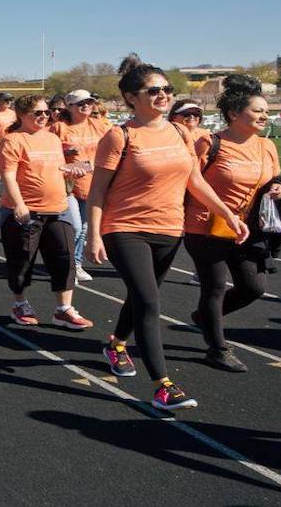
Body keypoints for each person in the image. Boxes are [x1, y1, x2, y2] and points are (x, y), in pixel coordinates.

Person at [86, 54, 248, 411]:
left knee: (142, 296)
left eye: (167, 89)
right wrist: (94, 234)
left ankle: (115, 345)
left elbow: (195, 180)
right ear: (131, 97)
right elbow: (97, 191)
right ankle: (163, 385)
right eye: (153, 90)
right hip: (125, 228)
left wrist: (228, 214)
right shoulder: (119, 136)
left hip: (169, 228)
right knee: (149, 301)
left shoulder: (179, 131)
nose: (163, 95)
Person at [183, 75, 281, 372]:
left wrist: (279, 189)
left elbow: (275, 178)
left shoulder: (267, 146)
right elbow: (190, 180)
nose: (264, 115)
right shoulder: (210, 143)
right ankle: (217, 348)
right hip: (205, 225)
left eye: (266, 110)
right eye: (257, 110)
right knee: (213, 287)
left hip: (247, 228)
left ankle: (205, 317)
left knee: (253, 288)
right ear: (233, 114)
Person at [0, 95, 93, 330]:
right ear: (22, 115)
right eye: (37, 113)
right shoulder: (12, 141)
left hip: (58, 208)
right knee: (22, 262)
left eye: (46, 112)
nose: (43, 116)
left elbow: (57, 169)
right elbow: (8, 175)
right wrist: (19, 204)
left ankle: (63, 310)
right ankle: (20, 304)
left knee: (65, 258)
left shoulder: (51, 138)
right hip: (27, 211)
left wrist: (73, 171)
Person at [51, 90, 111, 283]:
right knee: (75, 227)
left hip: (93, 186)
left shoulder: (99, 125)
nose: (86, 106)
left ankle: (75, 264)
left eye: (89, 102)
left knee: (84, 228)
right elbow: (50, 156)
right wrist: (69, 160)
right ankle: (68, 265)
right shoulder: (60, 128)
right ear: (70, 106)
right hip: (67, 185)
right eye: (80, 103)